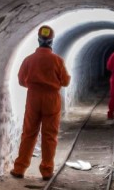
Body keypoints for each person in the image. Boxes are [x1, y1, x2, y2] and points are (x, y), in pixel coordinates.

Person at [11, 25, 71, 180]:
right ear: (52, 41)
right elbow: (65, 81)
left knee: (29, 133)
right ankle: (47, 170)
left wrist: (33, 86)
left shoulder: (29, 59)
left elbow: (21, 81)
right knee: (49, 135)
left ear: (38, 40)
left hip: (33, 97)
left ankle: (19, 168)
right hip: (51, 98)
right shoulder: (57, 60)